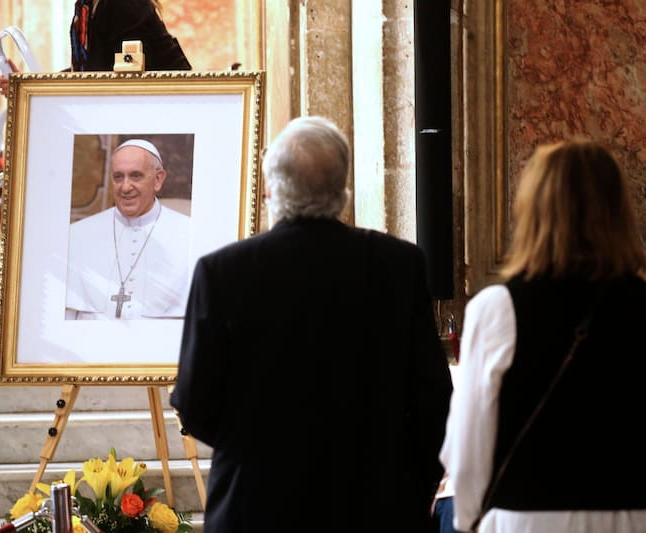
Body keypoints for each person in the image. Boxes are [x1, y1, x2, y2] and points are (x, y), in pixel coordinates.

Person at [170, 116, 453, 533]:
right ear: (342, 188)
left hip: (257, 507)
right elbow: (434, 400)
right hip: (376, 506)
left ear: (270, 189)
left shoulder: (223, 272)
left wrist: (257, 449)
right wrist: (409, 484)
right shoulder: (397, 265)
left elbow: (196, 404)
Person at [440, 140, 646, 533]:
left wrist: (468, 517)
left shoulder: (496, 308)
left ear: (531, 213)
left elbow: (468, 455)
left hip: (532, 519)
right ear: (619, 214)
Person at [65, 139, 190, 320]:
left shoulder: (189, 234)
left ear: (158, 179)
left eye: (136, 176)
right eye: (118, 177)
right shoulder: (77, 235)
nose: (125, 187)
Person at [0, 0, 190, 96]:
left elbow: (117, 80)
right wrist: (27, 86)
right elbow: (86, 74)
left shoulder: (125, 5)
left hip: (165, 114)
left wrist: (35, 91)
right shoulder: (84, 8)